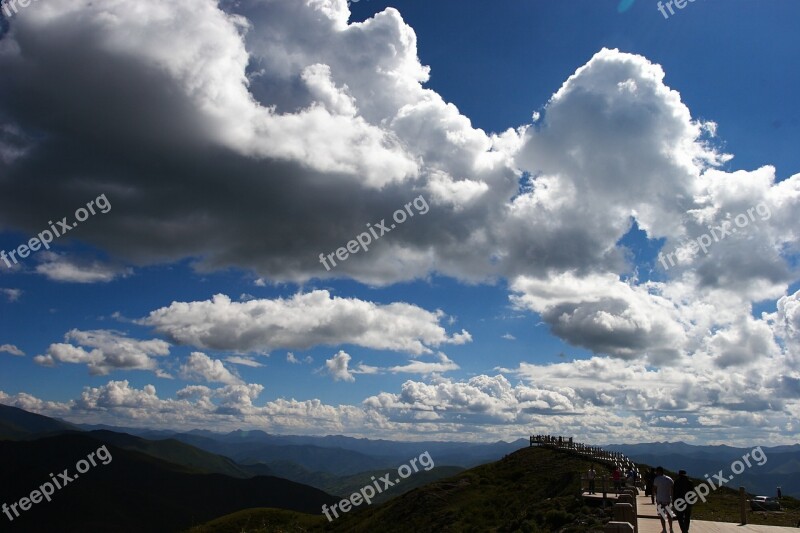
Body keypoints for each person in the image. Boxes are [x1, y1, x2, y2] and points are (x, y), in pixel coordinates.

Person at [653, 466, 675, 533]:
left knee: (662, 515)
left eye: (657, 471)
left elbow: (654, 489)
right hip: (668, 499)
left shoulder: (656, 479)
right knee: (669, 515)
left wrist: (655, 496)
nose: (656, 473)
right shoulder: (669, 479)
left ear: (659, 471)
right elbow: (672, 489)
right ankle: (671, 529)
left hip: (660, 499)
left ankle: (664, 529)